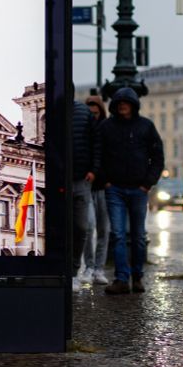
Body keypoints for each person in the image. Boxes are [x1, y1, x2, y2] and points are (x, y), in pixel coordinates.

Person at [98, 87, 164, 295]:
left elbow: (158, 157)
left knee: (137, 235)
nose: (122, 106)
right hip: (114, 188)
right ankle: (121, 278)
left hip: (138, 188)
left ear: (133, 105)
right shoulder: (107, 127)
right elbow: (98, 155)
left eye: (126, 103)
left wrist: (148, 183)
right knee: (117, 234)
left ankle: (137, 277)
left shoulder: (146, 126)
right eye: (119, 103)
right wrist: (106, 181)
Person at [71, 95, 101, 291]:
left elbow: (96, 142)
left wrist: (94, 169)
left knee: (82, 227)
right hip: (60, 178)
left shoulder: (83, 112)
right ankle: (66, 270)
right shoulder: (54, 109)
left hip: (82, 178)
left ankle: (74, 271)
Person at [82, 95, 111, 285]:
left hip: (104, 187)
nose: (93, 116)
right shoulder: (83, 131)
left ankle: (98, 269)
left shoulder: (107, 131)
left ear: (101, 112)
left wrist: (109, 180)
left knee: (104, 230)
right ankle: (89, 267)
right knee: (88, 227)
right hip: (87, 186)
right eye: (90, 113)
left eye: (96, 112)